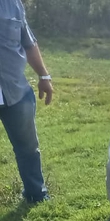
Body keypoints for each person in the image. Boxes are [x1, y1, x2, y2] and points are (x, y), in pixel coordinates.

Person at [0, 1, 54, 204]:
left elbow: (28, 42)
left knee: (28, 148)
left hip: (15, 91)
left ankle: (36, 194)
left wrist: (44, 77)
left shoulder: (12, 4)